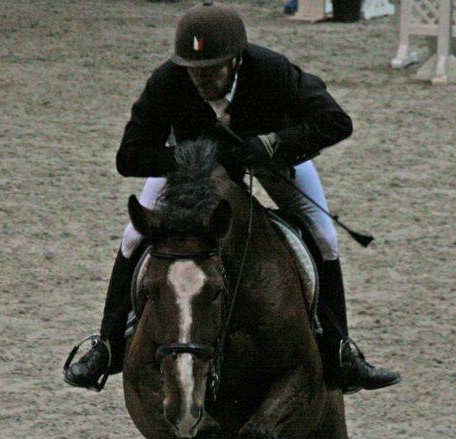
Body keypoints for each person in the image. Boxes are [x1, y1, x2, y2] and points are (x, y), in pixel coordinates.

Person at [64, 0, 399, 394]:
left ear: (236, 61)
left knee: (324, 235)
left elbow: (336, 121)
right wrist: (188, 155)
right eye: (194, 71)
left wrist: (273, 143)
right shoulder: (168, 80)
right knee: (133, 235)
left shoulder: (271, 70)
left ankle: (341, 350)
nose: (202, 80)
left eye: (212, 70)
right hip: (193, 170)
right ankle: (106, 345)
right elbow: (129, 157)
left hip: (271, 163)